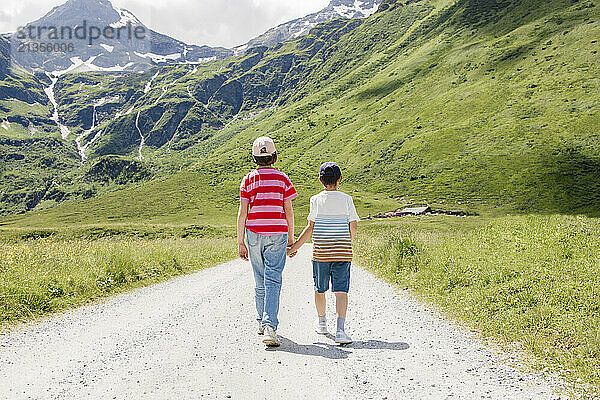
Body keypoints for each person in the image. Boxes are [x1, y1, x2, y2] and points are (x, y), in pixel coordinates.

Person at [287, 162, 359, 344]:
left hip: (321, 253)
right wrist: (345, 241)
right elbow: (354, 226)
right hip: (343, 252)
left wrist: (294, 247)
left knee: (320, 289)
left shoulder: (316, 200)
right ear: (339, 179)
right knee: (341, 290)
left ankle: (322, 323)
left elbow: (310, 227)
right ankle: (341, 330)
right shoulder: (347, 199)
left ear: (320, 180)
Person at [237, 136, 297, 347]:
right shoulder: (283, 179)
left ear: (254, 158)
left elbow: (243, 212)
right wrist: (291, 238)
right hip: (277, 233)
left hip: (253, 233)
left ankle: (262, 322)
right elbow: (288, 210)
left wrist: (240, 242)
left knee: (259, 278)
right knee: (273, 279)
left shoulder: (248, 180)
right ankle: (270, 326)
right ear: (274, 156)